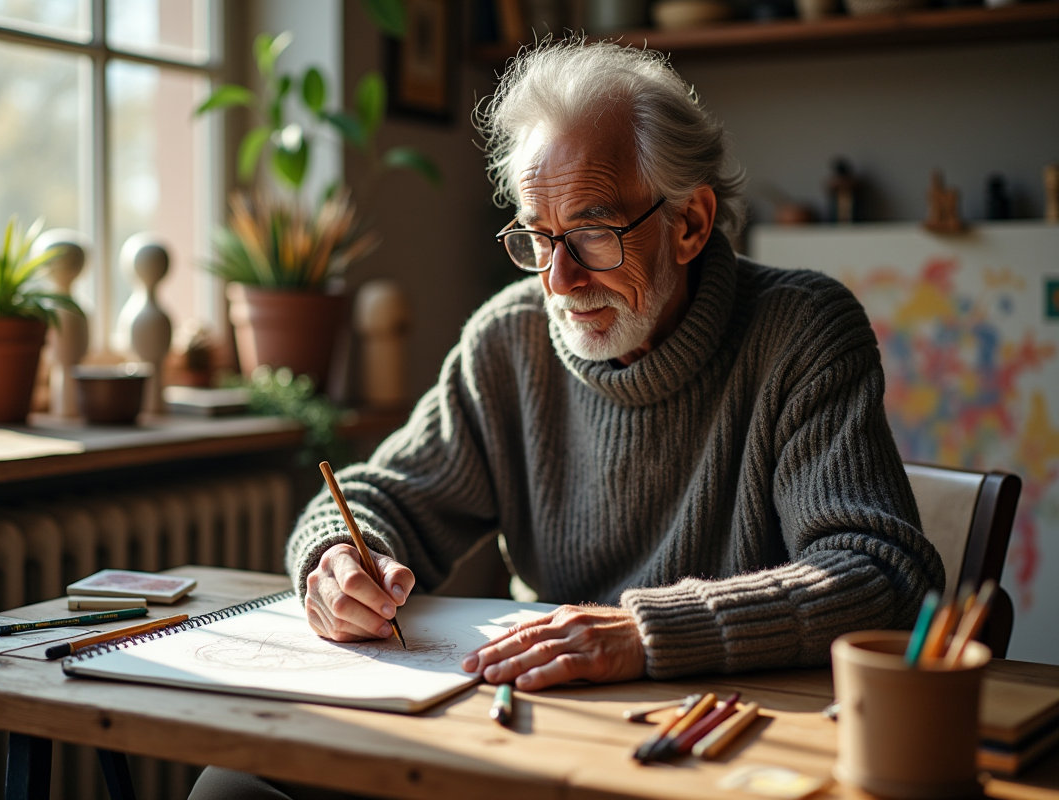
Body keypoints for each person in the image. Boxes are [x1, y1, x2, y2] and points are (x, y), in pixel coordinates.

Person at [191, 37, 943, 800]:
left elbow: (881, 573)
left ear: (689, 224)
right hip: (531, 731)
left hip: (716, 748)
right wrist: (337, 564)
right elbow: (376, 497)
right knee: (236, 785)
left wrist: (645, 633)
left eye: (591, 232)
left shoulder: (802, 332)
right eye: (537, 237)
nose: (559, 278)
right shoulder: (509, 338)